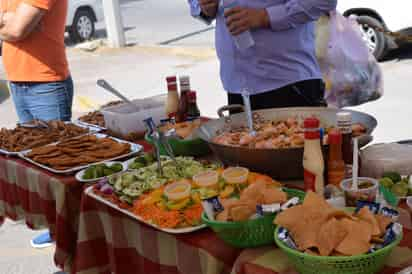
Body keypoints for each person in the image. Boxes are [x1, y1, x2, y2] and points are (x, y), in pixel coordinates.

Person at [0, 0, 72, 248]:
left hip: (46, 85)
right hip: (18, 83)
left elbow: (17, 31)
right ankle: (56, 229)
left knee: (59, 167)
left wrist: (10, 21)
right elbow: (13, 29)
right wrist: (10, 21)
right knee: (37, 166)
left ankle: (71, 244)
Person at [189, 0, 337, 112]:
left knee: (299, 151)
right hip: (237, 85)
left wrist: (265, 16)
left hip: (286, 81)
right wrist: (203, 6)